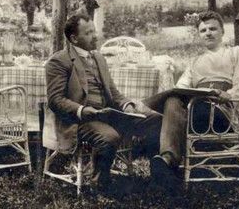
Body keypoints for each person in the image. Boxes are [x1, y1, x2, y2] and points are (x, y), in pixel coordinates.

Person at [44, 13, 161, 191]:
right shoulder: (59, 61)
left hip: (108, 114)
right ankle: (99, 184)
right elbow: (55, 100)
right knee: (109, 137)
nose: (96, 36)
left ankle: (158, 176)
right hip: (80, 120)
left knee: (155, 119)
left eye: (94, 31)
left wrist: (126, 105)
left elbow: (113, 92)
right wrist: (82, 110)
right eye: (89, 33)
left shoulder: (98, 57)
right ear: (74, 38)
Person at [143, 10, 239, 188]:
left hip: (223, 113)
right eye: (203, 30)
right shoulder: (196, 61)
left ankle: (144, 109)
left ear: (222, 32)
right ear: (199, 35)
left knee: (168, 108)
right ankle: (167, 160)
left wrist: (229, 94)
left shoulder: (236, 52)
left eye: (213, 29)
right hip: (199, 110)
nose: (208, 33)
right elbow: (182, 87)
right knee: (172, 100)